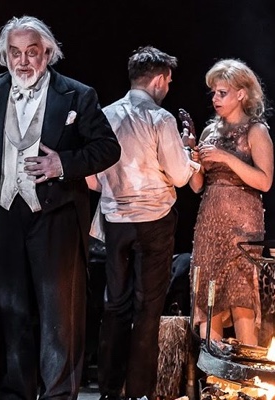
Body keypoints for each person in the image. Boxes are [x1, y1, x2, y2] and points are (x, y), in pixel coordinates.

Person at [0, 15, 120, 400]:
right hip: (6, 214)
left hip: (57, 216)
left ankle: (58, 395)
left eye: (32, 53)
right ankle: (16, 393)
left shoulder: (77, 95)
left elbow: (108, 148)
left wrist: (64, 164)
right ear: (4, 55)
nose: (23, 62)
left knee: (60, 318)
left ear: (47, 54)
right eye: (15, 53)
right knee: (11, 311)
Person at [85, 46, 199, 400]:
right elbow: (179, 176)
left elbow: (91, 179)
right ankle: (138, 393)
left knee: (114, 305)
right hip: (154, 221)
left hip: (115, 221)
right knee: (147, 308)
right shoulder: (160, 119)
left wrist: (115, 189)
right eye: (169, 81)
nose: (168, 87)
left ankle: (108, 390)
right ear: (159, 80)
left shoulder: (105, 115)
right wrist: (188, 152)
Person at [189, 58, 274, 346]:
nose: (215, 98)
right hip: (210, 222)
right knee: (208, 294)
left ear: (241, 94)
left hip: (243, 224)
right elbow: (197, 186)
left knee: (241, 294)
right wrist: (193, 160)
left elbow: (265, 181)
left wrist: (225, 158)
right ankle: (212, 368)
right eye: (213, 92)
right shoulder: (209, 132)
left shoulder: (256, 131)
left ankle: (247, 367)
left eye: (222, 93)